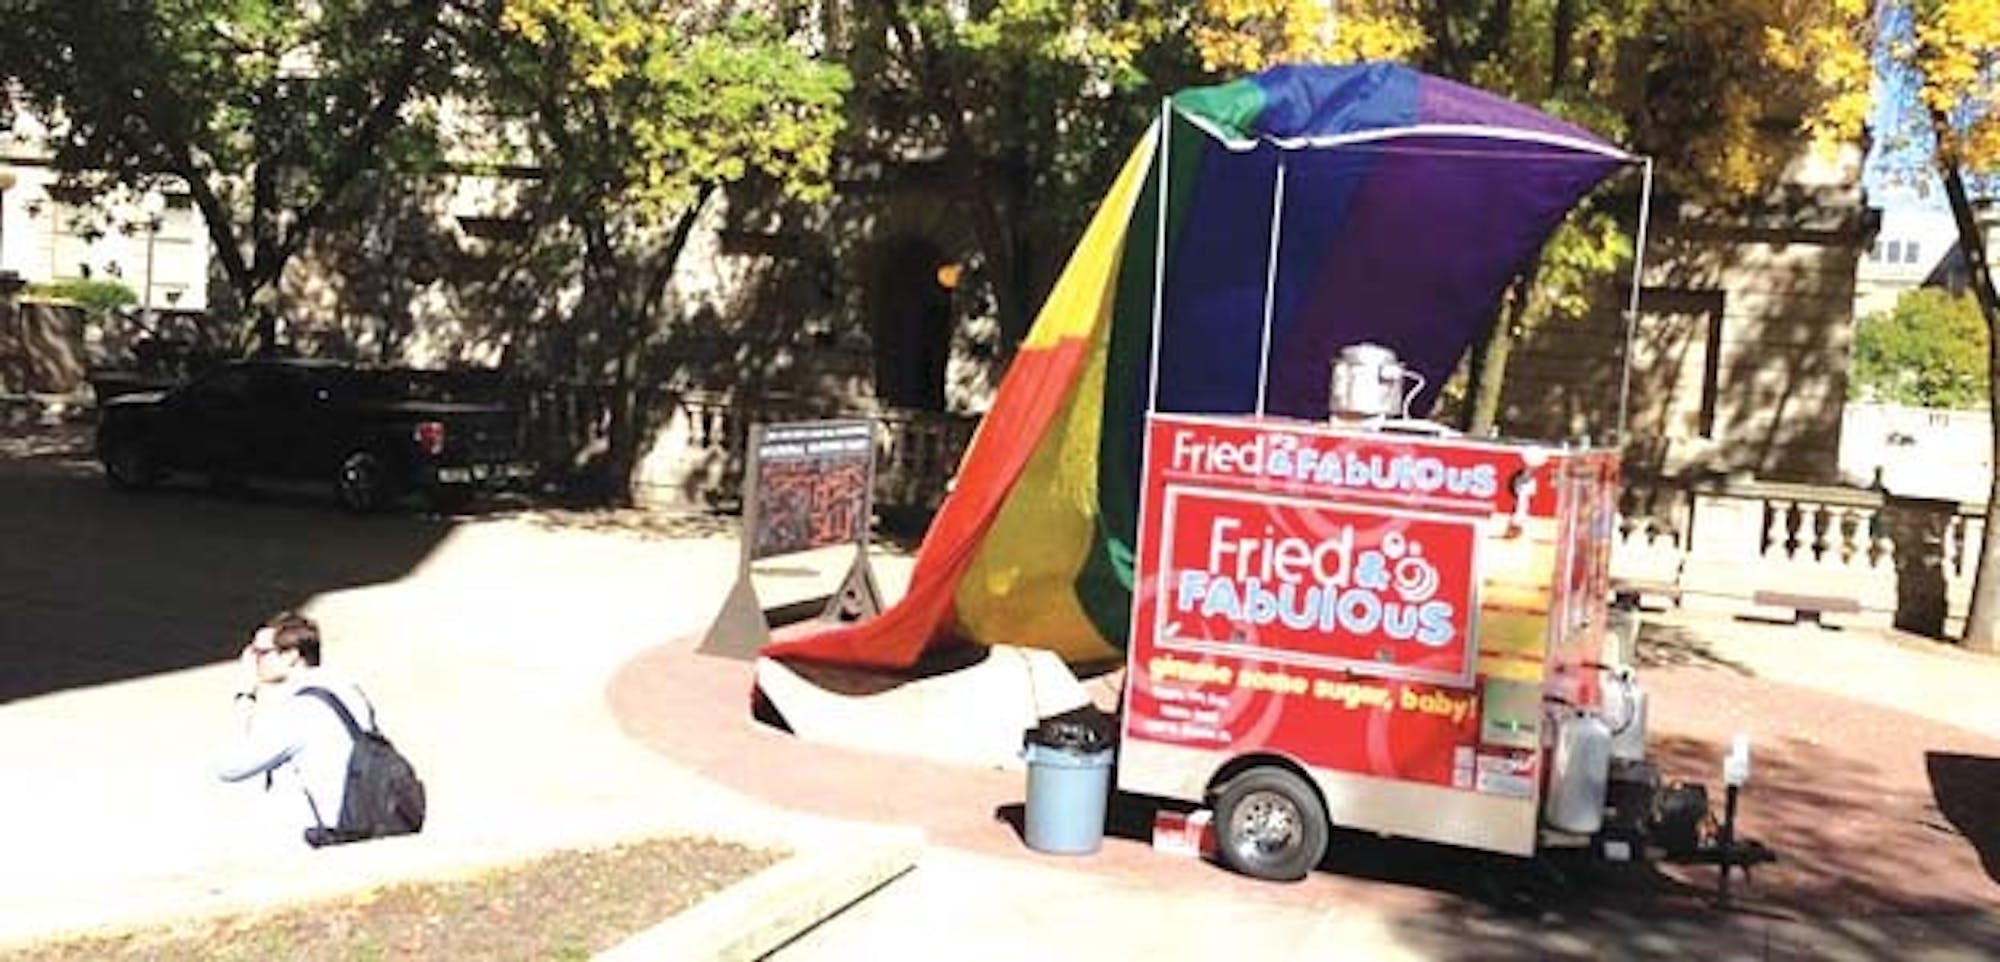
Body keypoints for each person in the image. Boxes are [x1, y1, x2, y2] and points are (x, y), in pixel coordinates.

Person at [215, 611, 382, 847]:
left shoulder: (300, 711)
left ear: (292, 655)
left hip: (327, 837)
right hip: (367, 818)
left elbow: (231, 767)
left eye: (260, 653)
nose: (252, 662)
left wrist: (245, 694)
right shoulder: (349, 690)